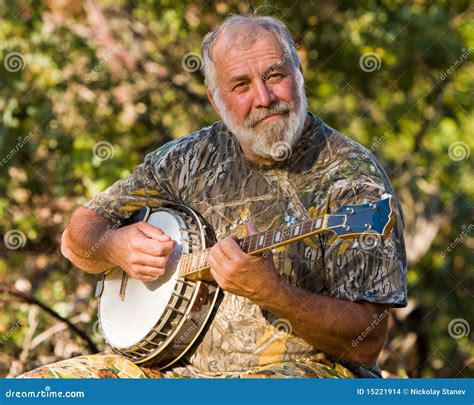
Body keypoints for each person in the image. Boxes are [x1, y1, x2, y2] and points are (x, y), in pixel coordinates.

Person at [18, 14, 407, 379]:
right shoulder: (185, 159)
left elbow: (368, 342)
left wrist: (274, 293)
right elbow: (77, 236)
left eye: (275, 75)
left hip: (308, 374)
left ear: (299, 74)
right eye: (241, 85)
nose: (264, 97)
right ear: (214, 99)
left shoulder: (352, 179)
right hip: (173, 372)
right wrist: (114, 246)